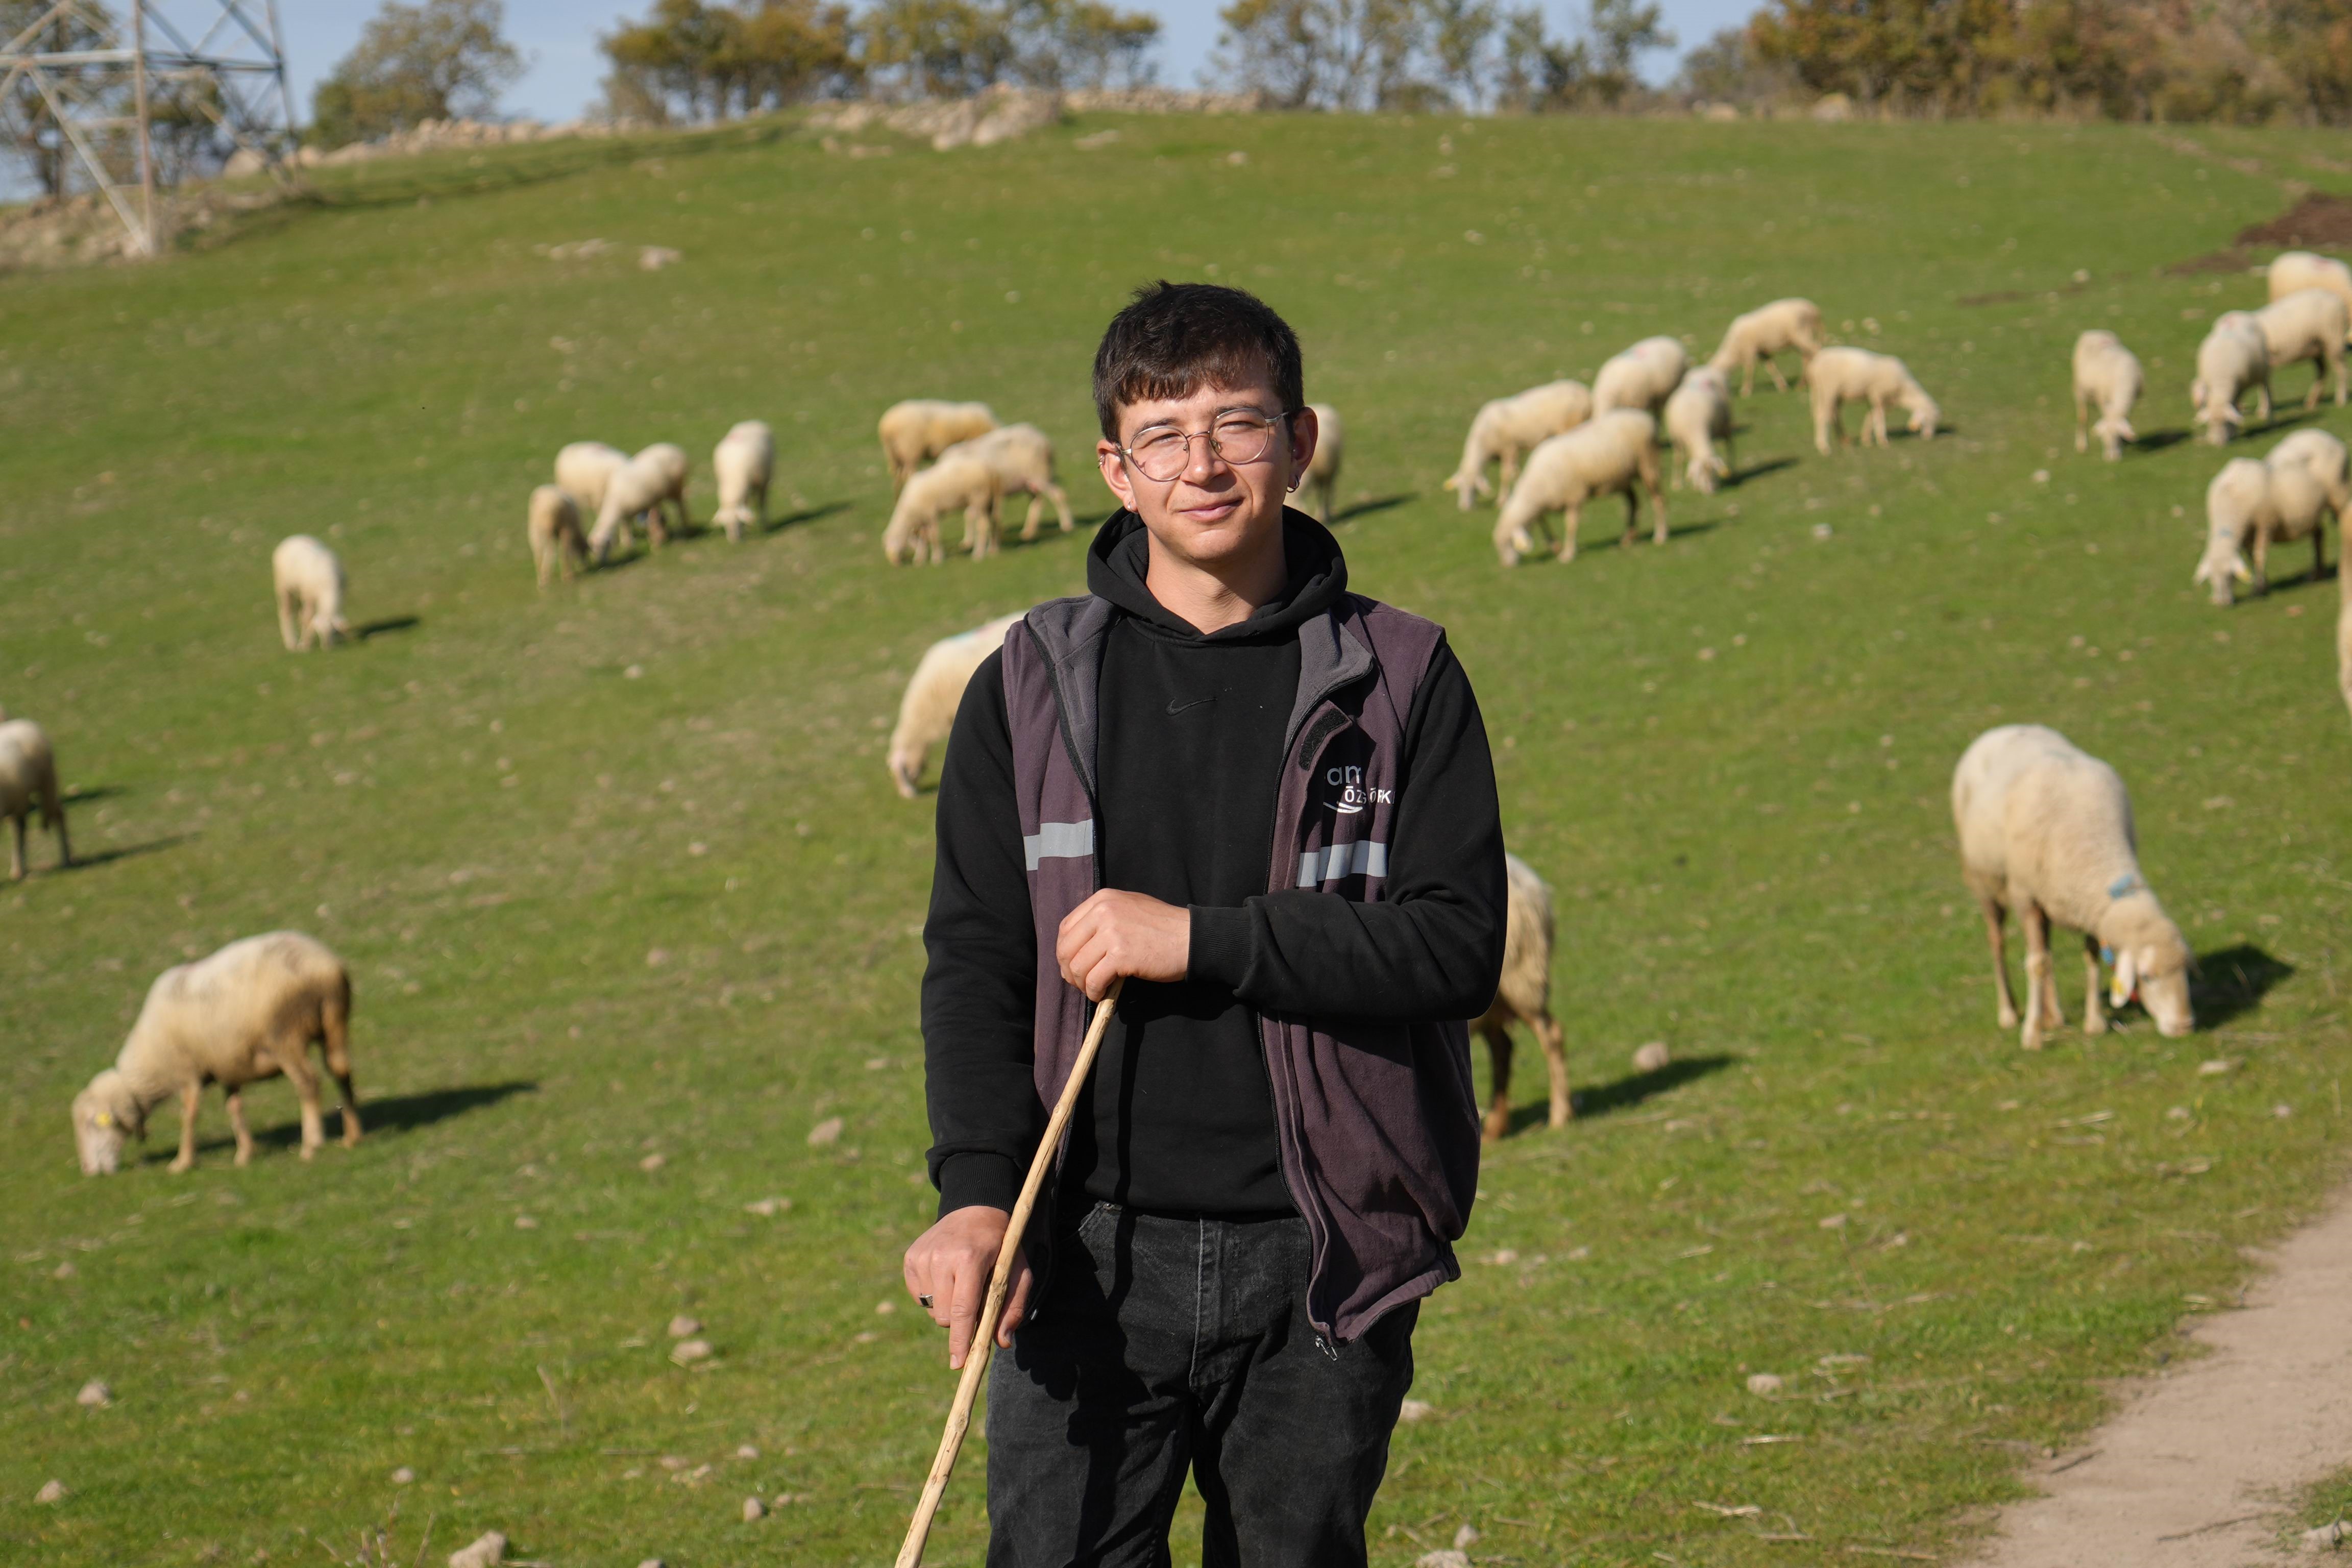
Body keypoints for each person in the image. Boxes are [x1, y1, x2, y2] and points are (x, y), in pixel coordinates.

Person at [902, 280, 1507, 1567]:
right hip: (1079, 1254)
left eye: (1238, 423)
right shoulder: (1029, 683)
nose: (1206, 462)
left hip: (1323, 1246)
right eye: (1165, 434)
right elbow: (977, 960)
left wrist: (1204, 939)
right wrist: (975, 1199)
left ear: (1300, 439)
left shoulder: (1400, 677)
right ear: (1117, 472)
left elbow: (1457, 946)